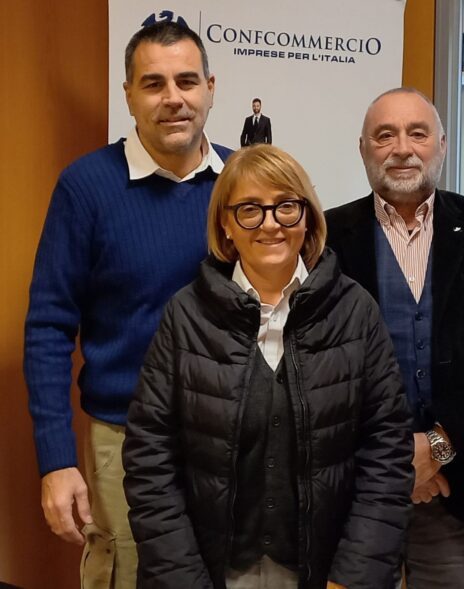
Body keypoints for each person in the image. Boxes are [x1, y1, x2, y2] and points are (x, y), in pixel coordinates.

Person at [122, 144, 414, 589]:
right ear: (225, 224)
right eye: (250, 210)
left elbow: (387, 453)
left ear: (307, 216)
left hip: (326, 573)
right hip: (211, 573)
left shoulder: (355, 312)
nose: (271, 223)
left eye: (285, 206)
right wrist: (181, 577)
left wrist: (354, 576)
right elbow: (150, 457)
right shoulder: (187, 316)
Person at [23, 21, 231, 588]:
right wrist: (56, 460)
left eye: (187, 81)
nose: (173, 98)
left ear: (211, 88)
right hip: (125, 440)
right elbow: (47, 328)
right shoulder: (86, 187)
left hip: (234, 438)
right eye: (153, 84)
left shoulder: (243, 182)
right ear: (129, 95)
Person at [325, 87, 464, 588]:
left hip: (462, 491)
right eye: (385, 135)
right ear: (362, 148)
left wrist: (438, 446)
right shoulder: (325, 236)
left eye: (417, 134)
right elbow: (318, 365)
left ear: (441, 145)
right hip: (357, 493)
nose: (402, 148)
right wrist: (396, 462)